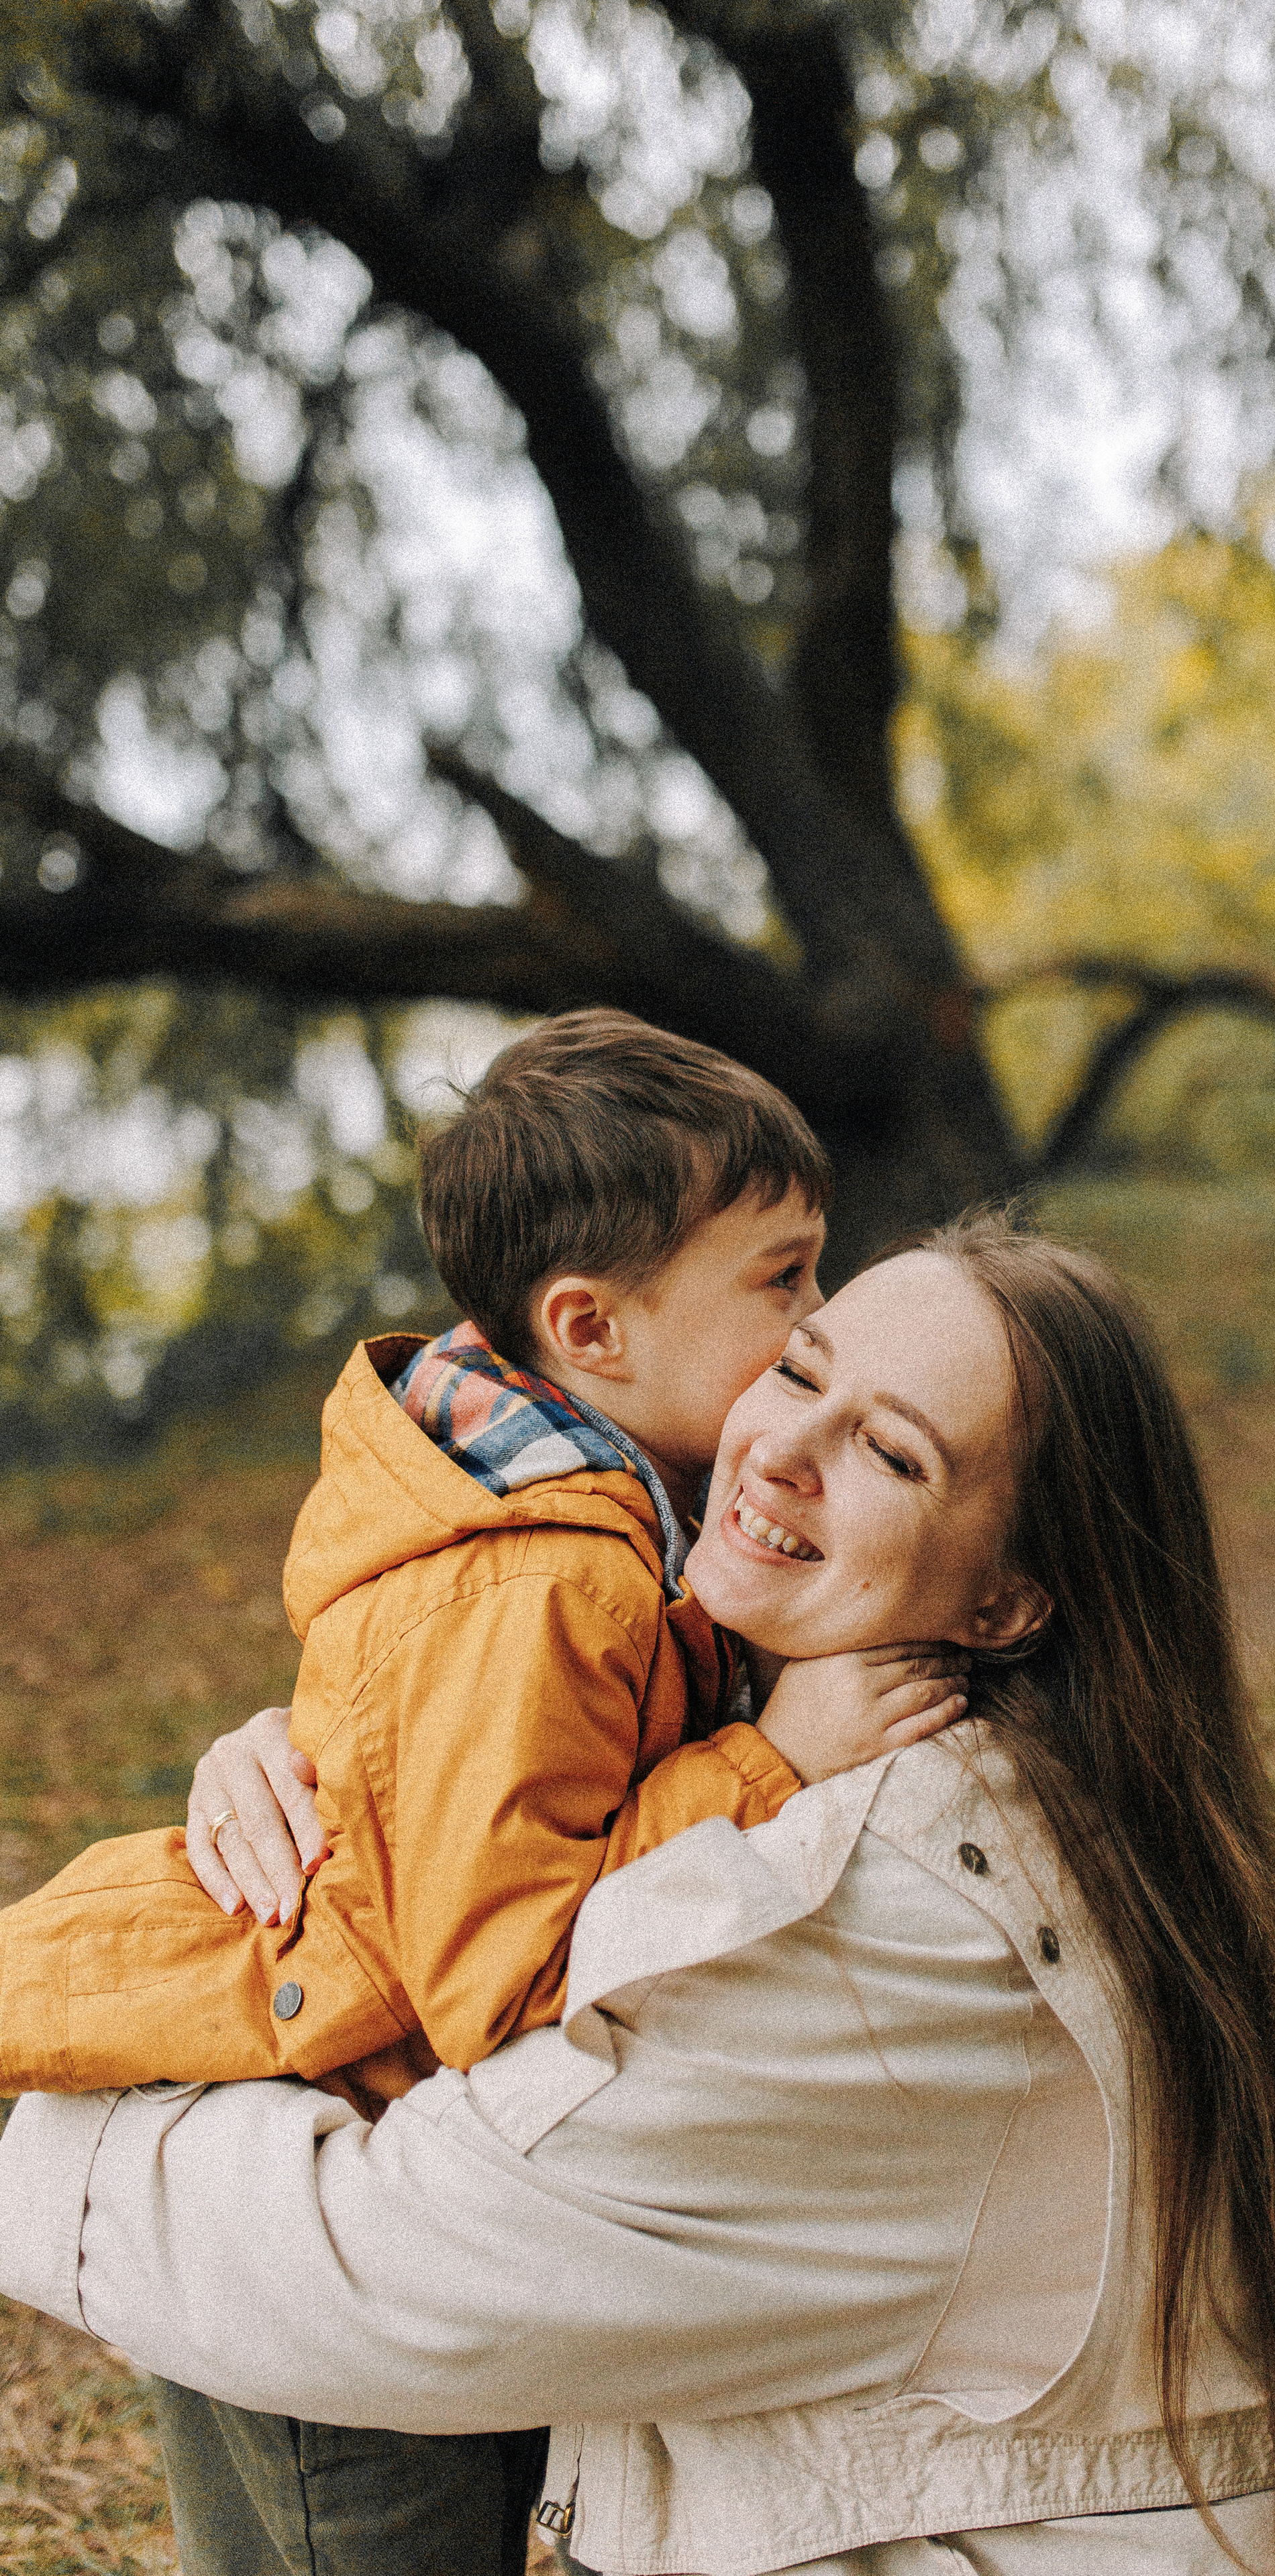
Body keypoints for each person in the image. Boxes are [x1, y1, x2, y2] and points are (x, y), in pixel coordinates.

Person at [0, 1218, 1275, 2576]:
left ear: (1005, 1600)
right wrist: (345, 1785)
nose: (782, 1455)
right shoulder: (1001, 1763)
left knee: (249, 2222)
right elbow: (530, 1884)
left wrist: (134, 2025)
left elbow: (375, 2273)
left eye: (893, 1455)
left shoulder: (894, 1907)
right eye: (798, 1369)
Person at [0, 1009, 968, 2571]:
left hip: (396, 2162)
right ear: (589, 1329)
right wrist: (769, 1762)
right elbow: (496, 1974)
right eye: (781, 1279)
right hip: (320, 2210)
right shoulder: (541, 1582)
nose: (815, 1318)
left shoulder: (588, 1502)